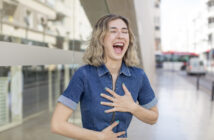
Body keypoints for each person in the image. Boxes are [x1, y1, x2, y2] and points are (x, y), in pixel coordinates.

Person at [51, 14, 158, 140]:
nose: (120, 35)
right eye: (113, 31)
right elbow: (57, 125)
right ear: (101, 39)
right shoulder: (84, 74)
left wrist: (132, 107)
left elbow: (153, 118)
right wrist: (99, 137)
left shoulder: (138, 76)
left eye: (124, 32)